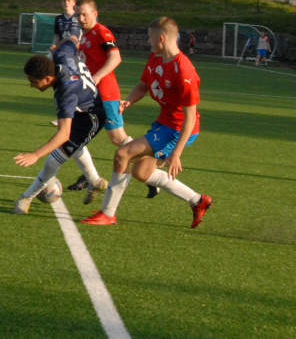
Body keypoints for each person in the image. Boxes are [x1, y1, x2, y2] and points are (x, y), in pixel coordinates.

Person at [82, 17, 213, 228]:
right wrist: (128, 101)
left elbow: (190, 118)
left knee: (123, 154)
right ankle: (198, 201)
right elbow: (142, 86)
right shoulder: (155, 58)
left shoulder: (184, 71)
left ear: (161, 39)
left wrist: (176, 153)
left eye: (150, 38)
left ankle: (108, 213)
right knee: (141, 173)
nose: (148, 42)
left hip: (178, 128)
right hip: (164, 122)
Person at [13, 36, 108, 214]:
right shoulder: (62, 56)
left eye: (33, 81)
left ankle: (25, 199)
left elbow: (63, 134)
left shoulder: (65, 93)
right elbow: (72, 38)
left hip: (91, 118)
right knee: (73, 147)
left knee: (52, 160)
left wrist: (36, 154)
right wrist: (52, 53)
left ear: (48, 79)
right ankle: (95, 182)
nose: (32, 86)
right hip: (82, 107)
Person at [66, 0, 133, 193]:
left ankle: (151, 172)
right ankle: (90, 177)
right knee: (73, 135)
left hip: (106, 93)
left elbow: (116, 57)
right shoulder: (85, 35)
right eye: (78, 15)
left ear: (95, 14)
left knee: (118, 138)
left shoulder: (101, 31)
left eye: (85, 14)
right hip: (89, 95)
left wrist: (97, 76)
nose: (81, 18)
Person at [49, 0, 81, 126]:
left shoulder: (79, 16)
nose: (66, 3)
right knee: (60, 83)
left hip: (75, 55)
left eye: (69, 0)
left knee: (73, 83)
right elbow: (57, 36)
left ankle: (73, 114)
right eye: (64, 1)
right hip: (61, 54)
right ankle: (64, 115)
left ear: (74, 3)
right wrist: (53, 47)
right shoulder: (58, 19)